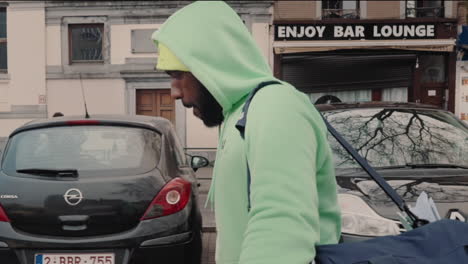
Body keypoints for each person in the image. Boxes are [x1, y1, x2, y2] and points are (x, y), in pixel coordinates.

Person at [152, 2, 341, 263]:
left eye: (177, 74)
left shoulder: (275, 106)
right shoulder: (240, 114)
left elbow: (281, 230)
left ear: (210, 63)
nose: (173, 92)